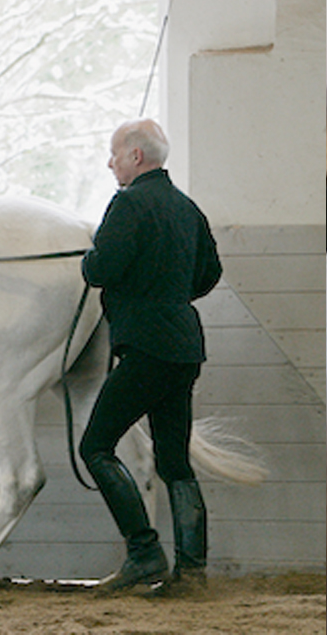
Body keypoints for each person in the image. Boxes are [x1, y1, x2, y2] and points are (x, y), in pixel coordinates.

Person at [79, 119, 222, 595]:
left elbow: (102, 269)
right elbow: (209, 273)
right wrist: (170, 294)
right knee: (175, 462)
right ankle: (193, 572)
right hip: (184, 346)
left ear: (135, 157)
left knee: (95, 447)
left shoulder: (128, 204)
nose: (110, 162)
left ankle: (143, 553)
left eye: (114, 153)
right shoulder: (187, 208)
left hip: (145, 347)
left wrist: (89, 260)